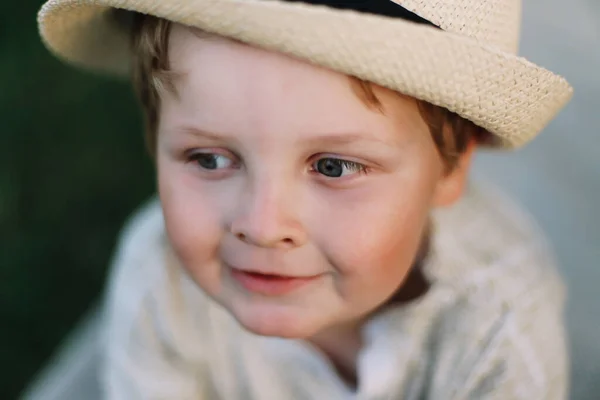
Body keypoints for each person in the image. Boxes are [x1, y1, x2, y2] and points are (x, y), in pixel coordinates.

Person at [37, 0, 573, 398]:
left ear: (451, 167)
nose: (263, 225)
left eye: (333, 167)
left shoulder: (499, 334)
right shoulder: (161, 276)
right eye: (209, 158)